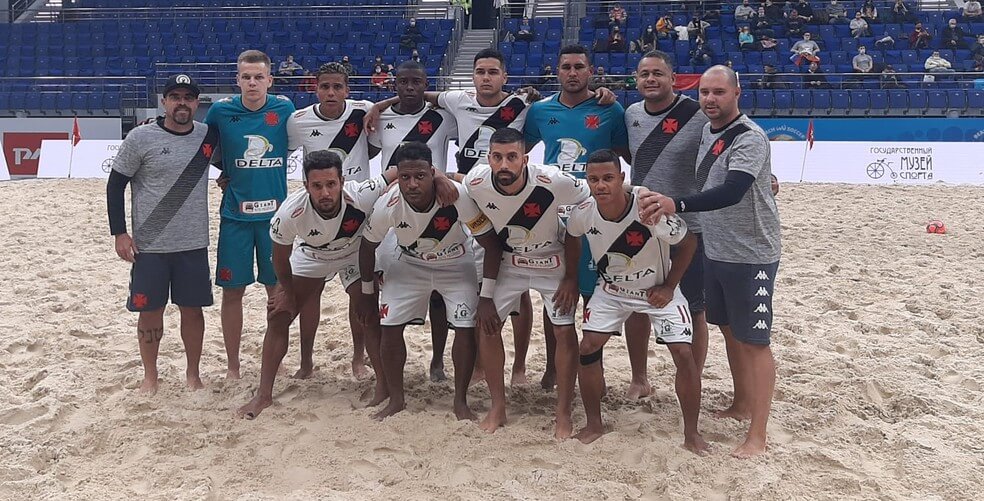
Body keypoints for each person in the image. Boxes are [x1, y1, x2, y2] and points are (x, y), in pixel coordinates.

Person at [365, 49, 542, 386]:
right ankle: (468, 364)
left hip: (505, 202)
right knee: (472, 288)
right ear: (472, 76)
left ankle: (518, 367)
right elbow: (412, 92)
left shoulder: (523, 105)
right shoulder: (457, 101)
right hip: (463, 201)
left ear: (505, 76)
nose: (486, 77)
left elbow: (415, 91)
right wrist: (378, 105)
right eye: (480, 71)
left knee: (516, 290)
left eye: (493, 72)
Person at [640, 65, 781, 458]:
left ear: (737, 92)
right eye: (704, 92)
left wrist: (677, 204)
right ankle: (741, 404)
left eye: (719, 92)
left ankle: (758, 434)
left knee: (755, 341)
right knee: (728, 329)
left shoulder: (750, 137)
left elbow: (732, 191)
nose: (710, 99)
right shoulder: (707, 130)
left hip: (751, 253)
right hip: (717, 248)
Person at [235, 150, 394, 419]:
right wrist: (285, 292)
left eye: (331, 184)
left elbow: (394, 172)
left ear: (342, 181)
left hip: (353, 254)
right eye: (317, 186)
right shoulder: (289, 212)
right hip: (312, 255)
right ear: (306, 186)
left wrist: (440, 177)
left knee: (369, 313)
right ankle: (264, 395)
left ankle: (383, 385)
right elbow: (280, 258)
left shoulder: (361, 193)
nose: (325, 193)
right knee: (277, 315)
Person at [567, 150, 706, 453]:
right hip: (613, 290)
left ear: (622, 178)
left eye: (607, 178)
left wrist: (670, 286)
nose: (600, 185)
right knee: (587, 347)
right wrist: (569, 278)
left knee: (683, 353)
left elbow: (689, 243)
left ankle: (692, 434)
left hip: (656, 290)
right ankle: (594, 424)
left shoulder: (648, 209)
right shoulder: (583, 212)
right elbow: (571, 237)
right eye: (593, 179)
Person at [356, 142, 501, 421]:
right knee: (390, 324)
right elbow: (367, 245)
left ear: (432, 172)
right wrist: (365, 291)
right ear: (397, 176)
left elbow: (490, 244)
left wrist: (486, 295)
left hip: (455, 264)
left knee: (464, 325)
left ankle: (460, 402)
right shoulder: (388, 203)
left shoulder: (456, 197)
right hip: (409, 263)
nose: (412, 184)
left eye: (420, 176)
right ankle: (396, 400)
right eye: (405, 177)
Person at [463, 128, 592, 438]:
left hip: (552, 258)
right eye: (497, 157)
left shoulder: (553, 180)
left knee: (563, 328)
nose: (504, 165)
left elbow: (588, 200)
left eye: (511, 157)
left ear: (525, 158)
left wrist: (572, 277)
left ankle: (563, 412)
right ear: (488, 158)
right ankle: (498, 407)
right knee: (489, 326)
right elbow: (462, 200)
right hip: (509, 260)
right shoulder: (475, 182)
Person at [107, 74, 219, 396]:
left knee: (192, 310)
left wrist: (225, 179)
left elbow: (231, 165)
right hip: (150, 246)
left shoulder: (207, 137)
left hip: (193, 243)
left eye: (188, 97)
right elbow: (115, 185)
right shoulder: (141, 139)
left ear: (197, 103)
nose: (181, 102)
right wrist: (119, 234)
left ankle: (193, 375)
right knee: (150, 311)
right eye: (175, 96)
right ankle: (151, 376)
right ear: (164, 101)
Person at [286, 61, 382, 378]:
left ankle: (359, 358)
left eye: (337, 86)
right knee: (310, 296)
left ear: (347, 89)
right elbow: (276, 155)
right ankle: (306, 362)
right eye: (325, 86)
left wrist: (382, 103)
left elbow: (376, 144)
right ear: (316, 87)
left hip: (356, 218)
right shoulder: (298, 121)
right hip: (318, 216)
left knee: (361, 295)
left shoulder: (363, 111)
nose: (330, 92)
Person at [624, 51, 713, 396]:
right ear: (636, 79)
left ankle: (694, 380)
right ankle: (638, 378)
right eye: (644, 73)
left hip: (689, 225)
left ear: (673, 79)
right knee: (638, 303)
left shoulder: (696, 113)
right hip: (643, 225)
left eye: (658, 73)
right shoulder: (630, 114)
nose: (651, 79)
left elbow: (726, 146)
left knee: (696, 307)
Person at [205, 50, 295, 380]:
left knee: (277, 293)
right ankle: (233, 365)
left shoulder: (284, 109)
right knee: (233, 293)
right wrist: (222, 171)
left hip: (276, 223)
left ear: (270, 79)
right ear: (237, 79)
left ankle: (277, 360)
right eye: (246, 77)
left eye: (259, 77)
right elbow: (205, 149)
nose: (252, 82)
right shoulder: (220, 111)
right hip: (235, 219)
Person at [366, 60, 458, 380]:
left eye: (416, 82)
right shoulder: (381, 119)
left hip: (433, 210)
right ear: (394, 84)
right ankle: (388, 361)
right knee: (390, 285)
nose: (409, 88)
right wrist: (381, 106)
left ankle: (437, 360)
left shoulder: (443, 119)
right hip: (391, 211)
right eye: (402, 82)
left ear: (425, 84)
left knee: (437, 296)